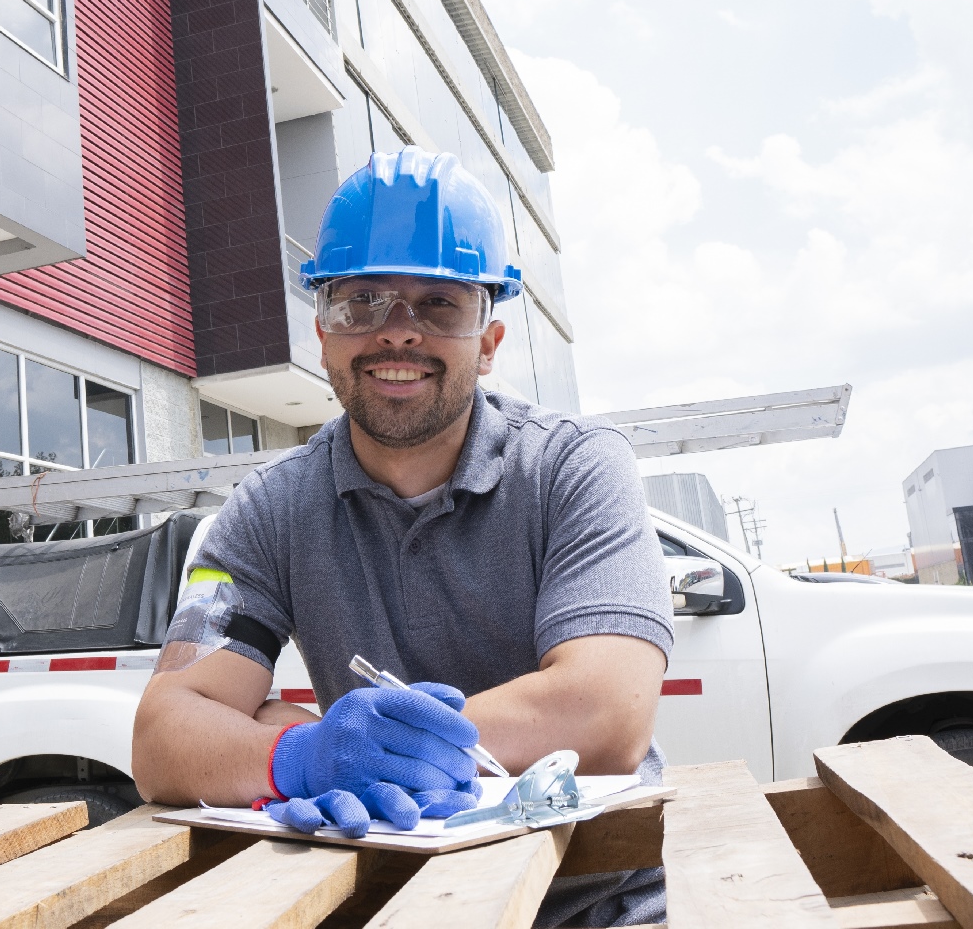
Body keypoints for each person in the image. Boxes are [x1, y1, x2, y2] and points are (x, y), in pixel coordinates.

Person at [133, 147, 673, 926]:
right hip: (387, 904)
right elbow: (164, 737)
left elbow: (606, 714)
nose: (399, 334)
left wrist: (375, 749)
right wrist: (303, 757)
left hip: (590, 899)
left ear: (488, 340)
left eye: (439, 305)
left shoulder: (575, 469)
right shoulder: (268, 511)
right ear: (321, 332)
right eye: (363, 302)